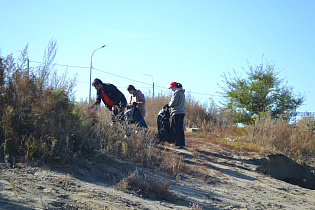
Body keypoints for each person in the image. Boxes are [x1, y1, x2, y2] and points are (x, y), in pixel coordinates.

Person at [168, 81, 186, 149]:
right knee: (180, 128)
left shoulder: (177, 92)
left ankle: (177, 143)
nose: (171, 89)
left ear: (174, 86)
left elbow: (173, 102)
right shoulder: (182, 93)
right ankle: (182, 144)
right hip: (182, 112)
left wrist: (169, 105)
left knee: (175, 128)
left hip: (176, 112)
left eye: (171, 88)